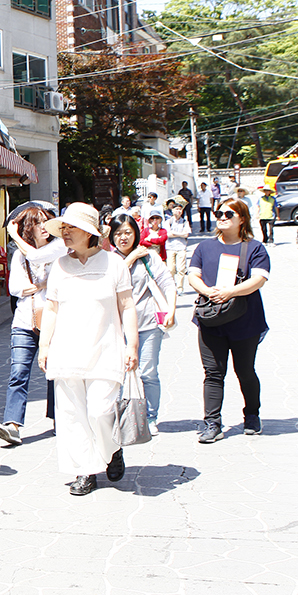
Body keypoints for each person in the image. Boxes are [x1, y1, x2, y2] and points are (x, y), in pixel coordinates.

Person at [36, 204, 137, 496]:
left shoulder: (114, 264)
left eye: (71, 228)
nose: (65, 233)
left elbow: (127, 306)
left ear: (90, 233)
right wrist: (45, 346)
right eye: (63, 228)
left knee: (100, 411)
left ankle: (111, 449)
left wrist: (132, 345)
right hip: (66, 351)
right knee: (71, 415)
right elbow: (52, 308)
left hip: (106, 349)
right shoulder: (60, 266)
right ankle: (85, 470)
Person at [187, 197, 271, 443]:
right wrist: (206, 291)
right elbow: (193, 275)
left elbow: (259, 279)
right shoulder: (204, 247)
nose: (221, 217)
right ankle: (212, 423)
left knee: (244, 370)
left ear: (242, 219)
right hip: (211, 319)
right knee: (213, 373)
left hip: (245, 321)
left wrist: (230, 292)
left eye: (228, 214)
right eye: (219, 213)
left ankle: (252, 415)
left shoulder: (254, 248)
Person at [0, 206, 65, 446]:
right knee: (18, 373)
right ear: (29, 228)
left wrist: (38, 284)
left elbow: (58, 284)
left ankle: (60, 419)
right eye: (38, 223)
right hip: (25, 321)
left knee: (55, 373)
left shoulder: (58, 250)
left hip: (54, 321)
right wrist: (43, 284)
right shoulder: (19, 256)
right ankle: (12, 425)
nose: (44, 227)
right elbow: (16, 288)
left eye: (46, 222)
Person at [108, 213, 177, 434]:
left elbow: (167, 282)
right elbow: (108, 284)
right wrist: (129, 259)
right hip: (118, 327)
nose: (123, 237)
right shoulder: (108, 260)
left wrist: (172, 310)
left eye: (127, 232)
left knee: (148, 372)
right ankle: (118, 416)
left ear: (136, 233)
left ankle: (150, 417)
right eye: (118, 233)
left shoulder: (148, 257)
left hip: (147, 324)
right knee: (118, 372)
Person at [165, 201, 193, 291]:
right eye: (176, 209)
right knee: (171, 269)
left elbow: (186, 234)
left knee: (181, 269)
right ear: (172, 210)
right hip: (170, 247)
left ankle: (180, 287)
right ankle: (172, 286)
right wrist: (180, 233)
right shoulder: (168, 221)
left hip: (181, 247)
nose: (178, 211)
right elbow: (168, 234)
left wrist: (174, 233)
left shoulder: (185, 222)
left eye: (180, 209)